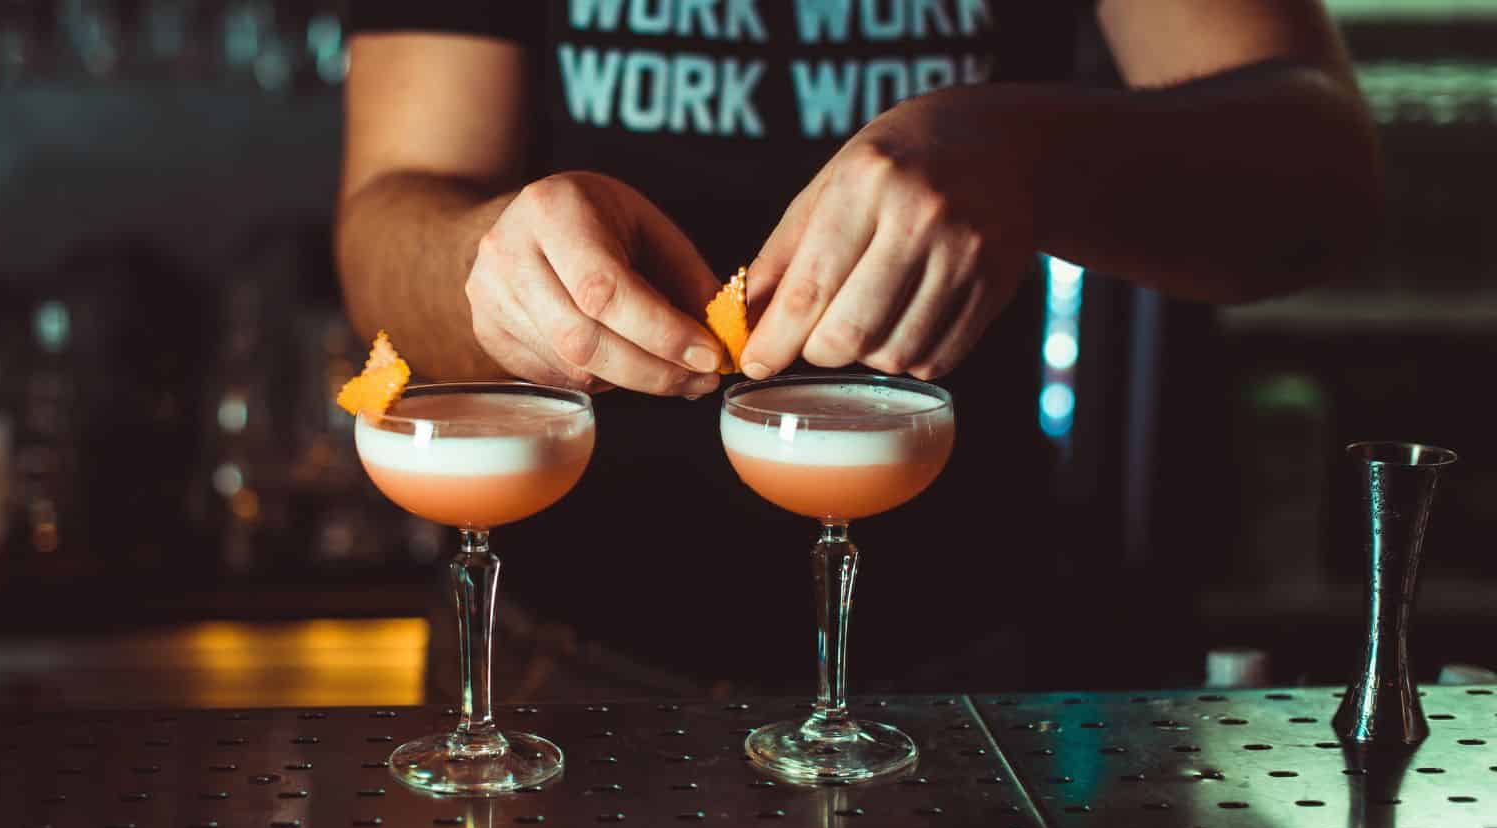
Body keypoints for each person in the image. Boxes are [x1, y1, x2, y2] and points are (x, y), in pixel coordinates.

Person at [336, 2, 1380, 692]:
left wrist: (1022, 154)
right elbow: (384, 225)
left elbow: (1325, 181)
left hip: (968, 666)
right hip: (551, 669)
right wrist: (492, 258)